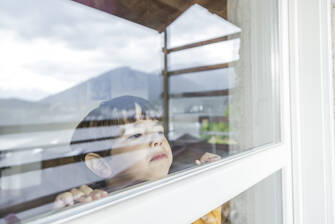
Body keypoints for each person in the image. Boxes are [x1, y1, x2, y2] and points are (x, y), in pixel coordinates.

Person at [54, 96, 222, 224]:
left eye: (158, 132)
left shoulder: (178, 193)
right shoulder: (101, 212)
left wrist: (208, 189)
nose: (157, 140)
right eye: (137, 135)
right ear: (101, 164)